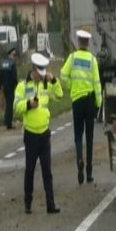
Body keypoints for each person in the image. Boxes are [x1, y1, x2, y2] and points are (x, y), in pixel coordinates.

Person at [16, 53, 64, 213]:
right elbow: (16, 106)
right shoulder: (23, 86)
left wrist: (54, 80)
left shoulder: (46, 83)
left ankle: (50, 203)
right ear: (33, 70)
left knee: (47, 170)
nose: (41, 76)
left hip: (44, 134)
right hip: (30, 135)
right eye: (39, 74)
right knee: (30, 170)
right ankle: (27, 203)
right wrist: (29, 104)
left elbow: (60, 95)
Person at [60, 30, 102, 184]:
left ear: (78, 42)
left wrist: (72, 86)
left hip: (77, 101)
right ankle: (89, 172)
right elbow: (97, 84)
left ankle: (79, 158)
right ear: (88, 43)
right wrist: (99, 104)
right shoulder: (92, 60)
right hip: (90, 101)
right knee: (89, 137)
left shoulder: (72, 58)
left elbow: (63, 75)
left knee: (78, 135)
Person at [0, 47, 19, 129]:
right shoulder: (12, 64)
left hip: (5, 87)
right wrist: (17, 85)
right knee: (10, 105)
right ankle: (9, 124)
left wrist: (0, 85)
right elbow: (14, 77)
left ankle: (6, 120)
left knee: (7, 104)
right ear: (9, 55)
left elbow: (0, 76)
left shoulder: (3, 64)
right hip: (11, 87)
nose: (14, 57)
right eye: (13, 55)